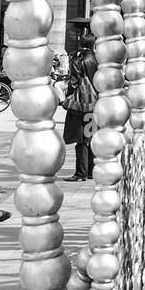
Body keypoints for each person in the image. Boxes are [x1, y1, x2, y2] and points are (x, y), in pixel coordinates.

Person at [63, 35, 98, 181]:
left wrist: (69, 98)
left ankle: (80, 172)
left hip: (80, 105)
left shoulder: (77, 61)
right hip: (95, 103)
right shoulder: (98, 60)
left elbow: (73, 83)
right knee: (91, 135)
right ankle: (91, 171)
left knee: (81, 139)